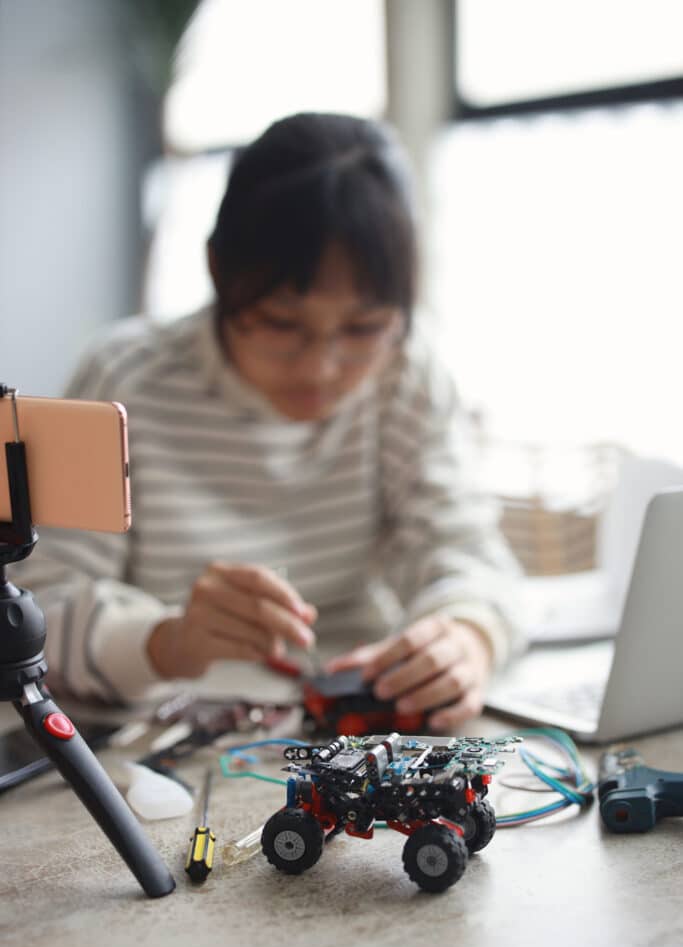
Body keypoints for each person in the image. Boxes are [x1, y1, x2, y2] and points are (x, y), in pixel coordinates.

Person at [15, 112, 523, 731]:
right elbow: (40, 617)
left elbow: (468, 552)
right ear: (219, 272)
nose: (322, 368)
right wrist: (169, 639)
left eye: (363, 329)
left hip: (359, 720)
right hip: (167, 730)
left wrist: (467, 636)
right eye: (283, 324)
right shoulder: (124, 379)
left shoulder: (405, 374)